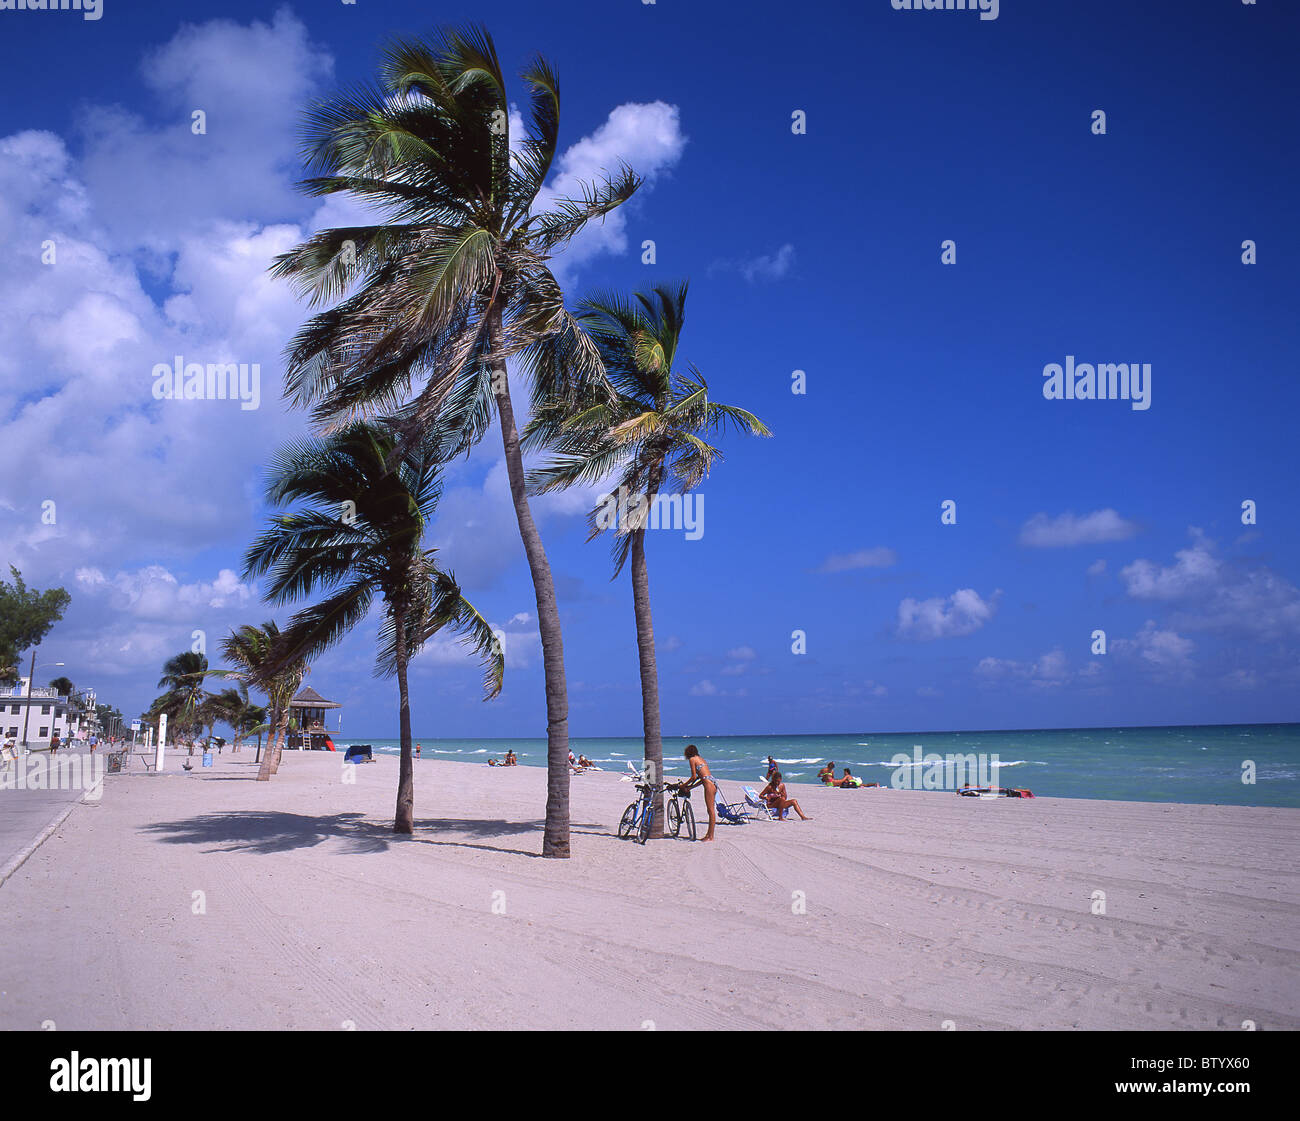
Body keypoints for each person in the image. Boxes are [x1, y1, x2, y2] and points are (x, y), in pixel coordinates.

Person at [679, 744, 718, 842]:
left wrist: (684, 785)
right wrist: (690, 787)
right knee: (711, 811)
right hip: (712, 783)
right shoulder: (701, 759)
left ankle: (710, 836)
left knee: (711, 811)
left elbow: (694, 777)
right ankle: (709, 835)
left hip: (708, 785)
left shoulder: (692, 759)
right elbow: (703, 778)